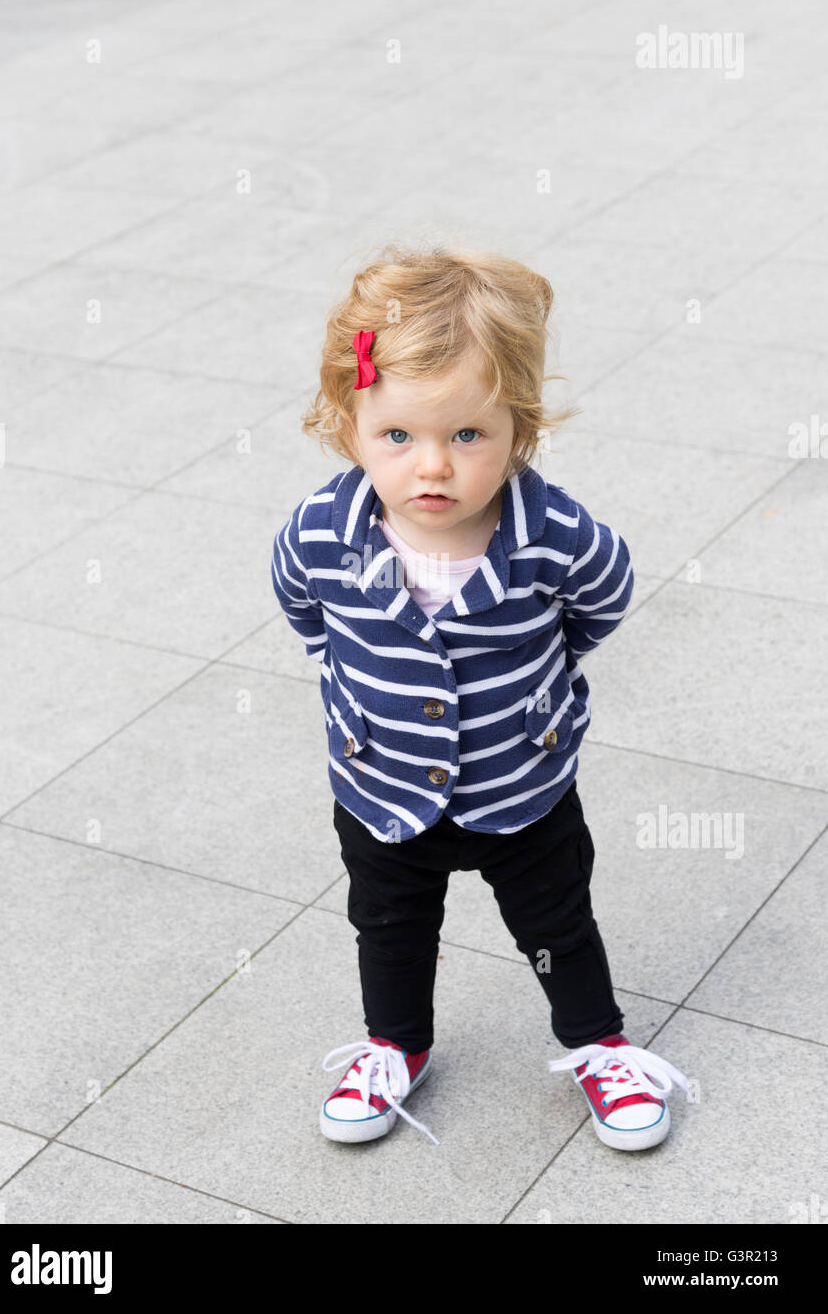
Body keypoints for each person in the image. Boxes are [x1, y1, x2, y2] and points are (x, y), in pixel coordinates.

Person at [270, 242, 689, 1152]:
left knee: (557, 924)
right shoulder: (318, 532)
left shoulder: (554, 535)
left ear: (518, 433)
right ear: (348, 426)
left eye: (468, 436)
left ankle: (597, 1043)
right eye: (397, 437)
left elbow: (602, 601)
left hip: (519, 788)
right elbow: (305, 611)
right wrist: (348, 676)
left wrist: (544, 681)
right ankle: (394, 1045)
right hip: (380, 789)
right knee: (386, 925)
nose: (433, 468)